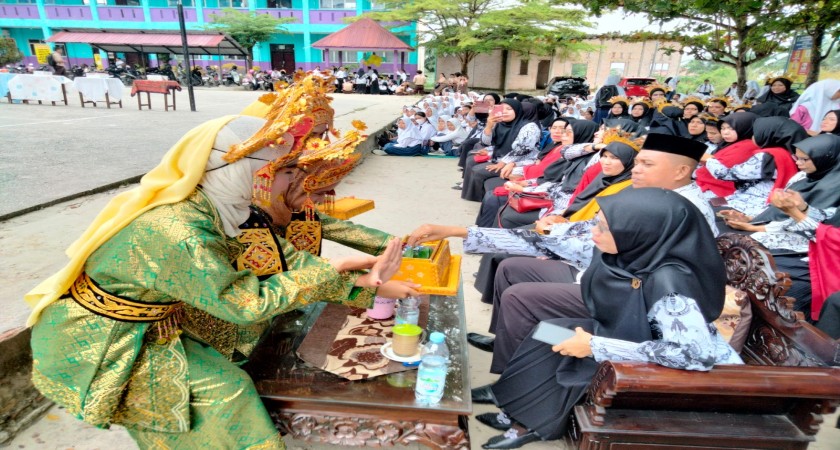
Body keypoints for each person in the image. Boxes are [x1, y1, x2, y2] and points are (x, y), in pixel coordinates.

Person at [26, 76, 417, 449]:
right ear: (239, 170)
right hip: (112, 339)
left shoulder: (214, 208)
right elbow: (241, 303)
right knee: (227, 393)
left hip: (164, 318)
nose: (288, 183)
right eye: (282, 171)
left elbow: (284, 261)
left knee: (249, 351)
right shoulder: (181, 230)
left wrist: (357, 281)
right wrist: (337, 272)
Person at [470, 188, 741, 449]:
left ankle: (534, 424)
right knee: (548, 332)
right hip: (628, 334)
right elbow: (548, 243)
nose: (594, 232)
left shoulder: (672, 283)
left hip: (675, 370)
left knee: (575, 360)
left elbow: (693, 355)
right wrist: (457, 233)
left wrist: (595, 346)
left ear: (639, 231)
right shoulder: (636, 250)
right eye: (597, 223)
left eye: (603, 227)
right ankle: (515, 407)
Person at [697, 113, 800, 216]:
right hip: (754, 198)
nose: (752, 136)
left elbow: (727, 174)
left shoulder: (767, 155)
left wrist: (708, 159)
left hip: (754, 203)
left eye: (756, 132)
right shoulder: (783, 152)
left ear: (767, 134)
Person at [461, 100, 541, 202]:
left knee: (478, 171)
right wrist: (489, 125)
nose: (505, 112)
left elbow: (523, 149)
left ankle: (480, 200)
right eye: (502, 109)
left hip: (520, 162)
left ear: (517, 110)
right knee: (473, 162)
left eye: (509, 109)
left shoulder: (529, 127)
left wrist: (503, 162)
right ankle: (479, 199)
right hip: (501, 158)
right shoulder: (500, 124)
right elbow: (486, 142)